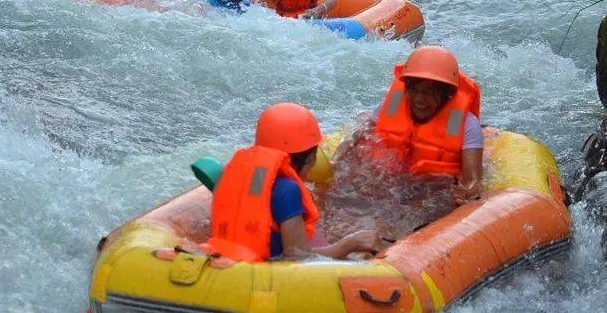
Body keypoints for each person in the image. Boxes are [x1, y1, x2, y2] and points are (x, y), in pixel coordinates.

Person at [207, 102, 380, 261]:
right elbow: (299, 258)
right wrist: (349, 244)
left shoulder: (230, 173)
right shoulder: (287, 190)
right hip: (262, 276)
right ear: (311, 158)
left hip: (222, 263)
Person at [372, 45, 484, 205]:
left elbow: (474, 180)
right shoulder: (390, 108)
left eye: (428, 92)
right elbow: (360, 136)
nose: (419, 99)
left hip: (435, 192)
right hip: (394, 185)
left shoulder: (467, 125)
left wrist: (467, 193)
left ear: (447, 93)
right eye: (414, 90)